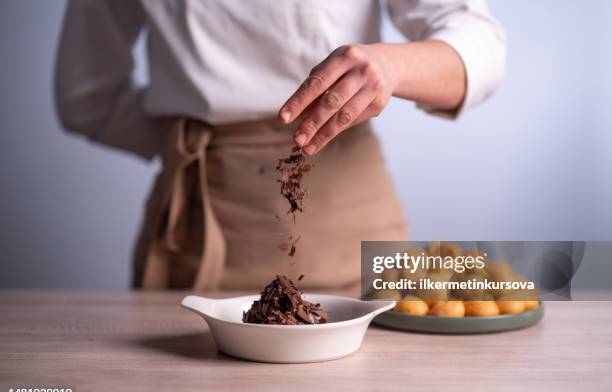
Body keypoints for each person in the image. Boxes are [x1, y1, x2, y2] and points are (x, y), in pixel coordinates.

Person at [54, 0, 506, 290]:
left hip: (351, 241)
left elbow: (481, 46)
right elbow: (84, 98)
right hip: (198, 239)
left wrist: (391, 65)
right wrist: (190, 147)